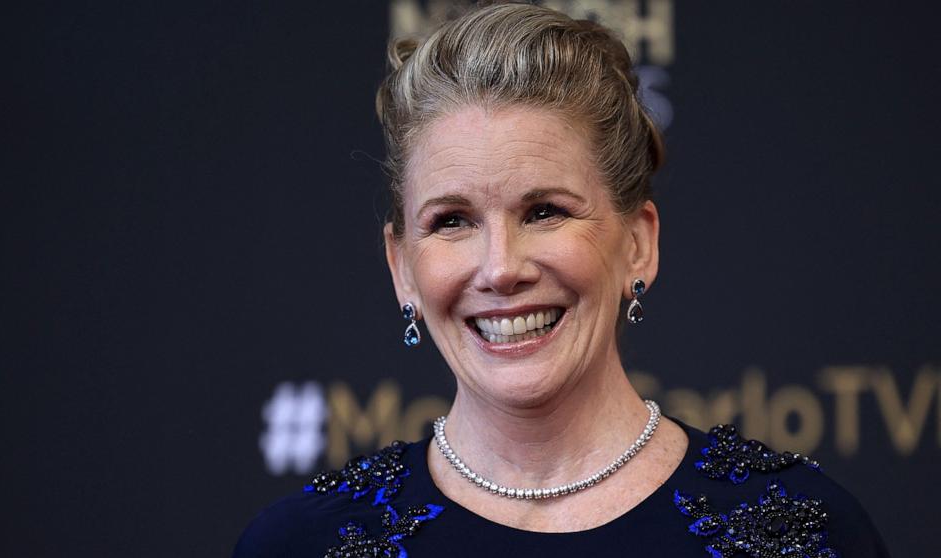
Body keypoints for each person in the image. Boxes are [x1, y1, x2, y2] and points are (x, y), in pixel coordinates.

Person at [234, 4, 890, 557]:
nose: (500, 268)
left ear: (638, 242)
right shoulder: (299, 543)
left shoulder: (805, 530)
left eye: (544, 212)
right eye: (453, 220)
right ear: (401, 267)